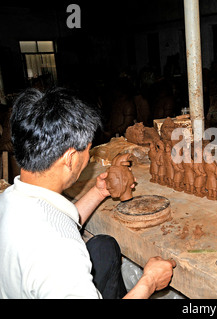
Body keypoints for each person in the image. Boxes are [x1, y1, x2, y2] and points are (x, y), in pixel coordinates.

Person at [0, 87, 176, 299]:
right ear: (70, 157)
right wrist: (148, 282)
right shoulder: (60, 252)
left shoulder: (10, 199)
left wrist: (98, 192)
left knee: (104, 246)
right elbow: (56, 238)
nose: (87, 160)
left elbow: (57, 220)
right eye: (88, 151)